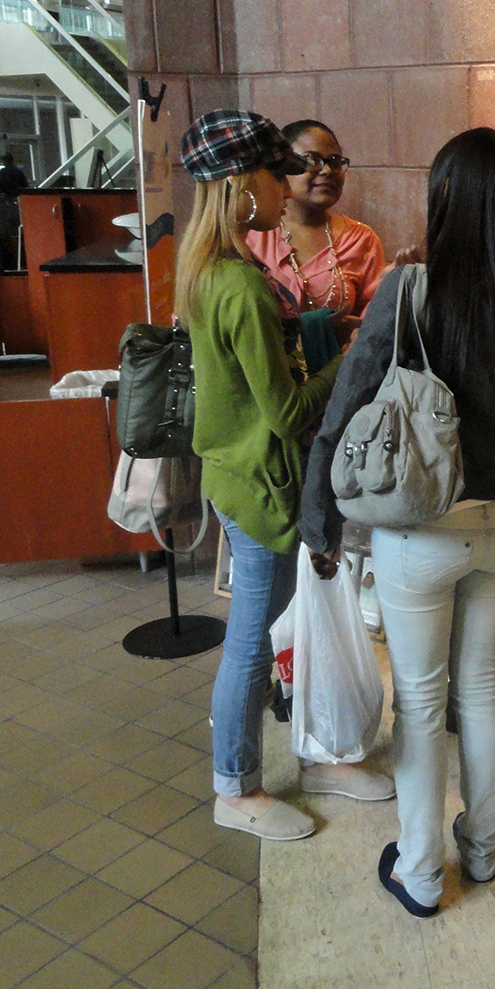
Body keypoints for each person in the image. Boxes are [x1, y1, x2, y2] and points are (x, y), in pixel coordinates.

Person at [300, 128, 495, 918]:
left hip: (422, 528)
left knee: (421, 702)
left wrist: (319, 517)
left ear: (445, 195)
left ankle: (420, 870)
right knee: (481, 686)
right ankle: (483, 849)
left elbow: (347, 403)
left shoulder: (411, 287)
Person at [174, 109, 382, 843]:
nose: (285, 185)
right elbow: (290, 410)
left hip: (243, 477)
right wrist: (352, 360)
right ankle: (235, 787)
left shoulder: (212, 270)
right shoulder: (240, 285)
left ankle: (317, 754)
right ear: (240, 183)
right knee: (251, 645)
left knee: (279, 629)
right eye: (275, 172)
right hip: (261, 489)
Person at [246, 120, 385, 375]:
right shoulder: (254, 235)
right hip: (270, 380)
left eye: (335, 161)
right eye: (312, 160)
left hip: (340, 380)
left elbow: (374, 325)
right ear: (284, 168)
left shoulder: (361, 240)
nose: (327, 171)